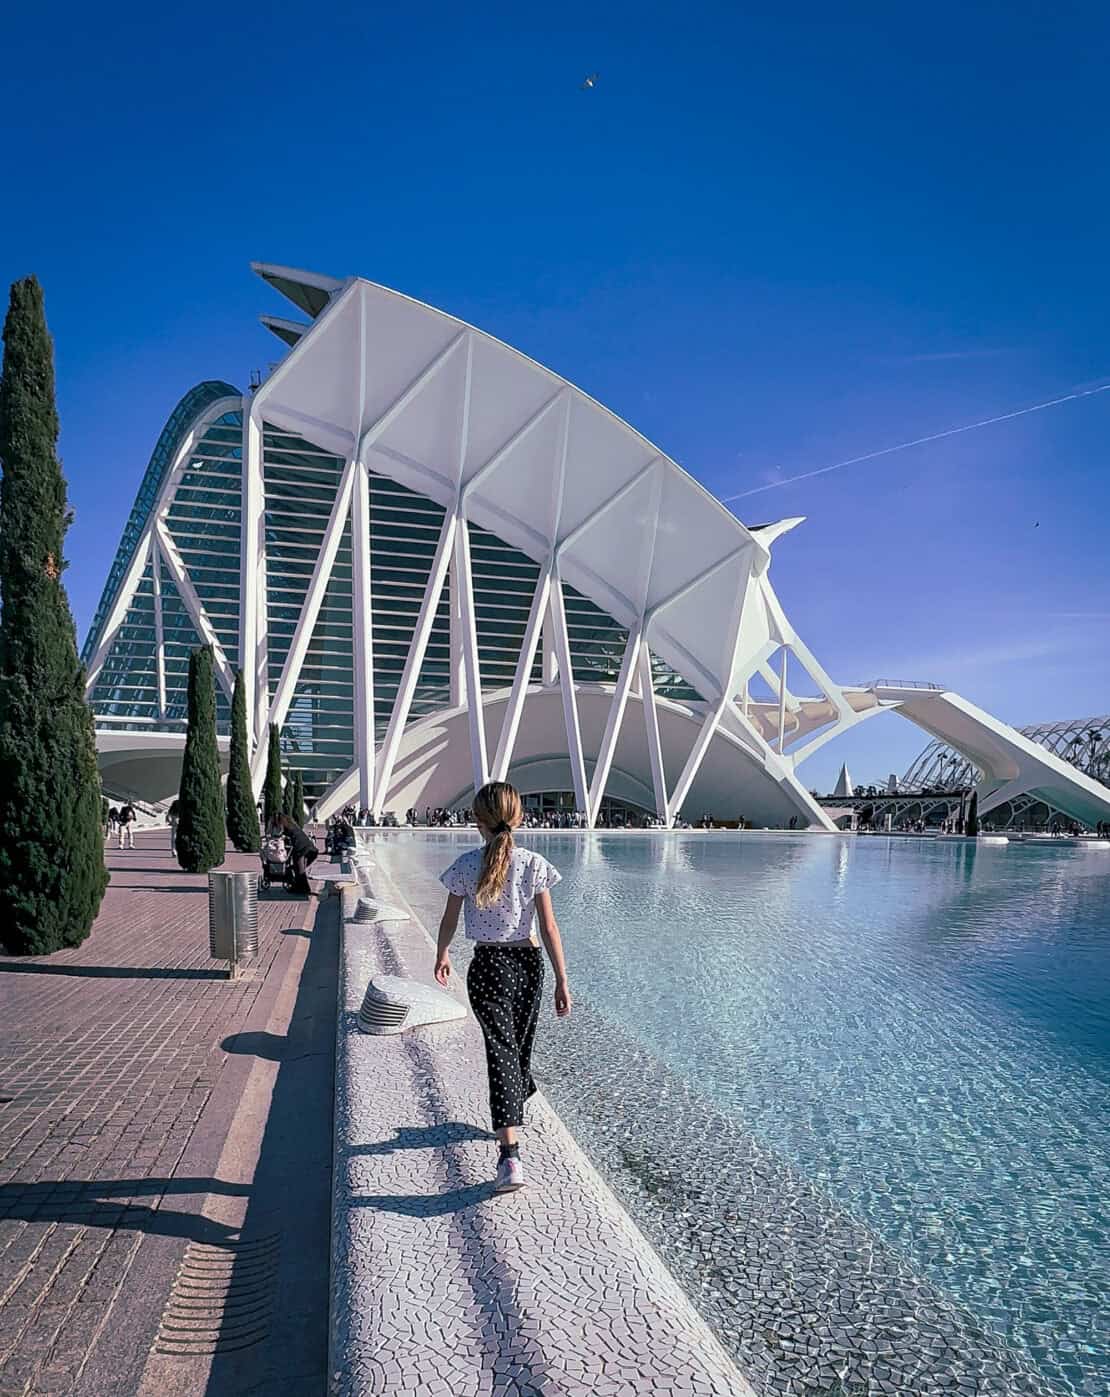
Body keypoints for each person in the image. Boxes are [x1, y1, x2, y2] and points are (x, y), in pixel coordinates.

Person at [435, 781, 570, 1194]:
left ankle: (514, 1095)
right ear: (519, 817)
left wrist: (443, 952)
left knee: (513, 1052)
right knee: (506, 1051)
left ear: (478, 821)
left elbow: (450, 918)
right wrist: (561, 978)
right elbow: (548, 928)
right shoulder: (533, 864)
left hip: (488, 965)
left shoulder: (466, 864)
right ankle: (509, 1155)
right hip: (528, 965)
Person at [279, 813, 318, 896]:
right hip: (310, 850)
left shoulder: (290, 829)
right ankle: (299, 887)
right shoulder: (293, 827)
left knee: (300, 870)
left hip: (303, 850)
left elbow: (288, 839)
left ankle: (305, 889)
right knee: (297, 869)